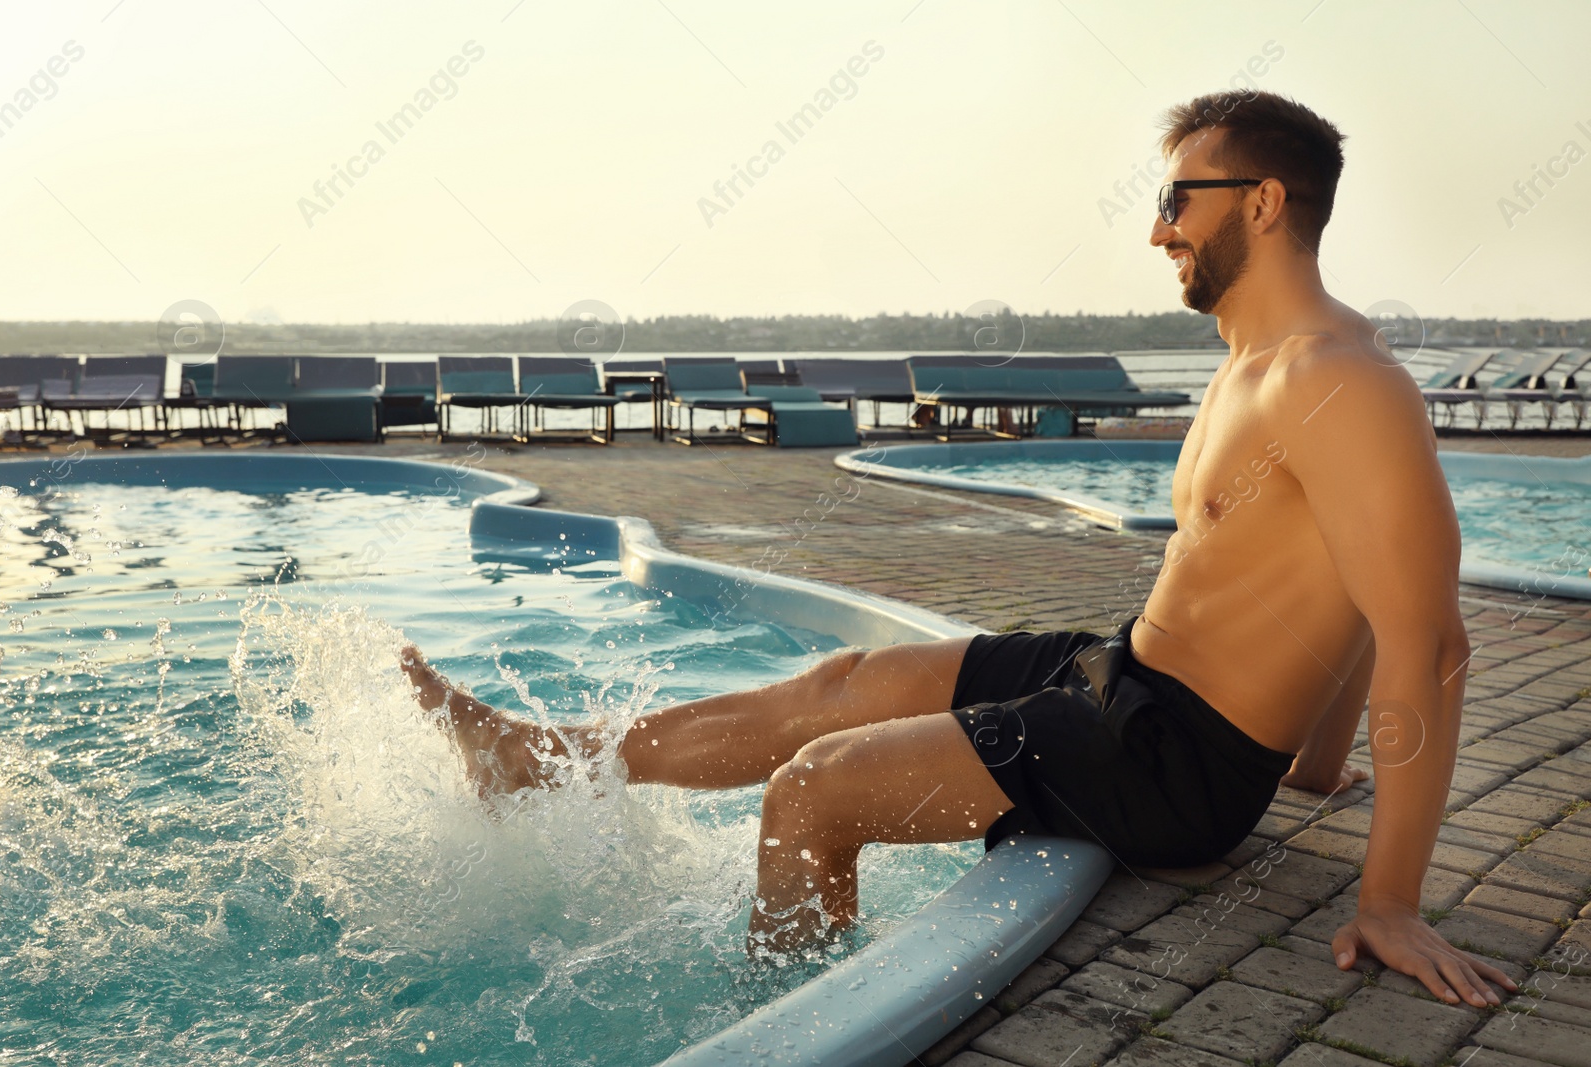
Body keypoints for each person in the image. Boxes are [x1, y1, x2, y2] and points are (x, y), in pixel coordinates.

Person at [399, 89, 1515, 1008]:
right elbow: (1340, 590)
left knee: (813, 792)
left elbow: (1427, 634)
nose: (1156, 227)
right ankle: (539, 759)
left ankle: (780, 1029)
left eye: (1177, 197)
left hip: (1176, 760)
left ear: (1263, 203)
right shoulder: (1254, 361)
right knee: (843, 683)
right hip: (1130, 672)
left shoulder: (1341, 383)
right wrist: (1317, 766)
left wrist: (1390, 896)